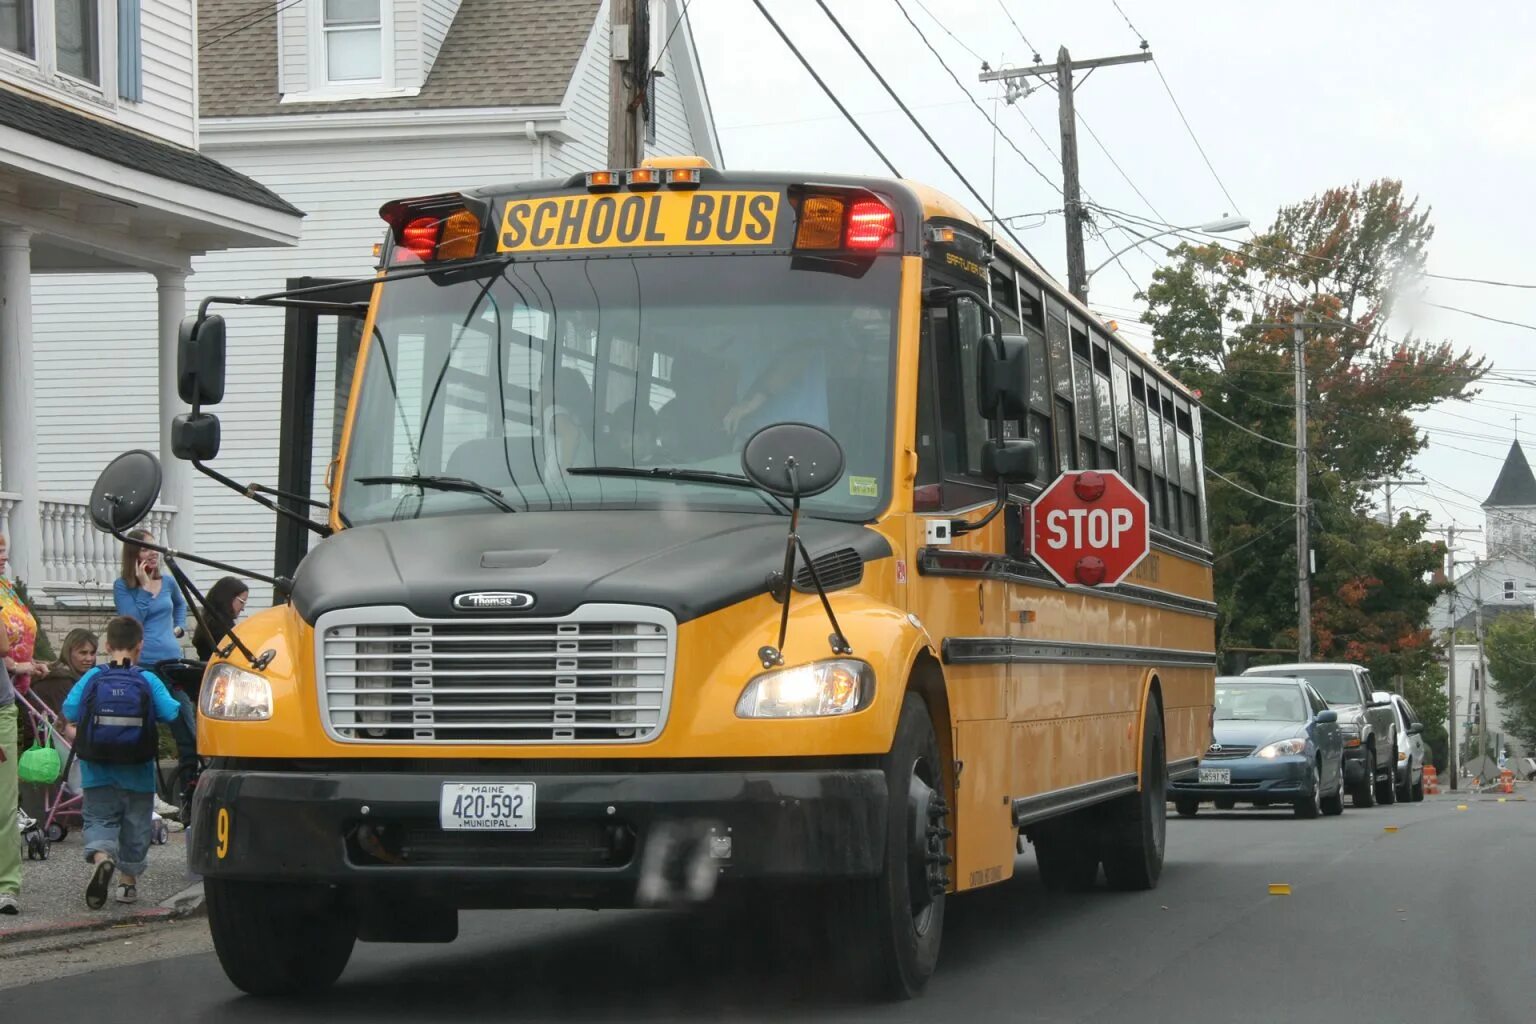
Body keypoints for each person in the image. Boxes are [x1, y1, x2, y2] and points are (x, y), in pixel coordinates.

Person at [61, 616, 181, 909]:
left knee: (99, 818)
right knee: (136, 825)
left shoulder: (93, 677)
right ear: (140, 646)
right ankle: (127, 884)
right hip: (137, 771)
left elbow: (69, 709)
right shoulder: (147, 679)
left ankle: (102, 858)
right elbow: (170, 713)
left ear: (106, 645)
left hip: (97, 769)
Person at [113, 530, 192, 813]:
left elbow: (181, 606)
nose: (152, 553)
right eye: (145, 549)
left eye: (154, 547)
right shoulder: (124, 586)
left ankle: (190, 797)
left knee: (186, 728)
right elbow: (132, 622)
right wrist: (145, 588)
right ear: (133, 555)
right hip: (143, 667)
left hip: (172, 666)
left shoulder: (168, 582)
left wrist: (179, 627)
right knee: (144, 733)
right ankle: (147, 799)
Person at [0, 533, 50, 916]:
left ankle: (6, 886)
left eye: (3, 546)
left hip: (1, 706)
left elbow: (3, 644)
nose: (2, 553)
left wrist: (20, 666)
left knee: (3, 805)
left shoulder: (6, 591)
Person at [192, 577, 249, 662]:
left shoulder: (207, 620)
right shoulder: (221, 627)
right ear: (228, 598)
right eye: (242, 602)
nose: (243, 608)